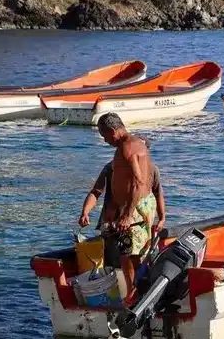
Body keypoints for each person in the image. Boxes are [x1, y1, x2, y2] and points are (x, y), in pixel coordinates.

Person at [96, 112, 156, 306]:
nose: (105, 141)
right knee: (137, 252)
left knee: (126, 253)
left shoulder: (126, 148)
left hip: (135, 206)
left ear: (113, 130)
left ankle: (132, 295)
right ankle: (141, 289)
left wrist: (127, 215)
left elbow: (138, 182)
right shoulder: (137, 142)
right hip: (143, 203)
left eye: (105, 136)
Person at [78, 137, 167, 267]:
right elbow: (96, 191)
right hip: (112, 222)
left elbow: (158, 193)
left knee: (136, 256)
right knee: (114, 256)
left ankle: (133, 282)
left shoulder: (152, 170)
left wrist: (162, 217)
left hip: (139, 224)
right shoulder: (111, 168)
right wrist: (85, 212)